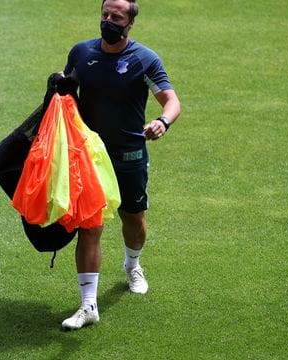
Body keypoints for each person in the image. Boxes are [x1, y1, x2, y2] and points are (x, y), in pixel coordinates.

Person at [59, 0, 182, 330]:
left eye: (117, 17)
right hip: (90, 157)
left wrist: (162, 122)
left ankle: (133, 264)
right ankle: (88, 306)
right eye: (105, 15)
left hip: (129, 155)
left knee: (134, 219)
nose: (109, 21)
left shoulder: (144, 59)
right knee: (90, 225)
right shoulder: (82, 54)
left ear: (130, 23)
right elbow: (66, 93)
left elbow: (171, 101)